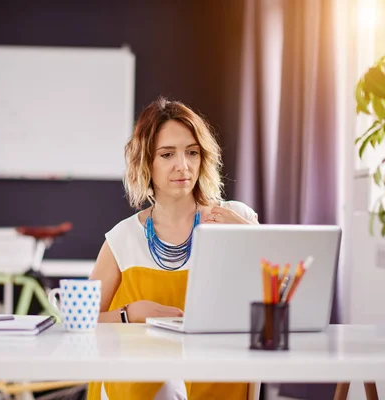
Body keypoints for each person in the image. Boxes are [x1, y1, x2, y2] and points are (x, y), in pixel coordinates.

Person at [87, 97, 259, 400]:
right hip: (143, 382)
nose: (183, 165)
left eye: (191, 152)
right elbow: (81, 321)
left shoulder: (238, 220)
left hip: (219, 377)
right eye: (167, 154)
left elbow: (280, 297)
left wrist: (248, 240)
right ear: (146, 163)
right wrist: (129, 315)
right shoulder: (122, 238)